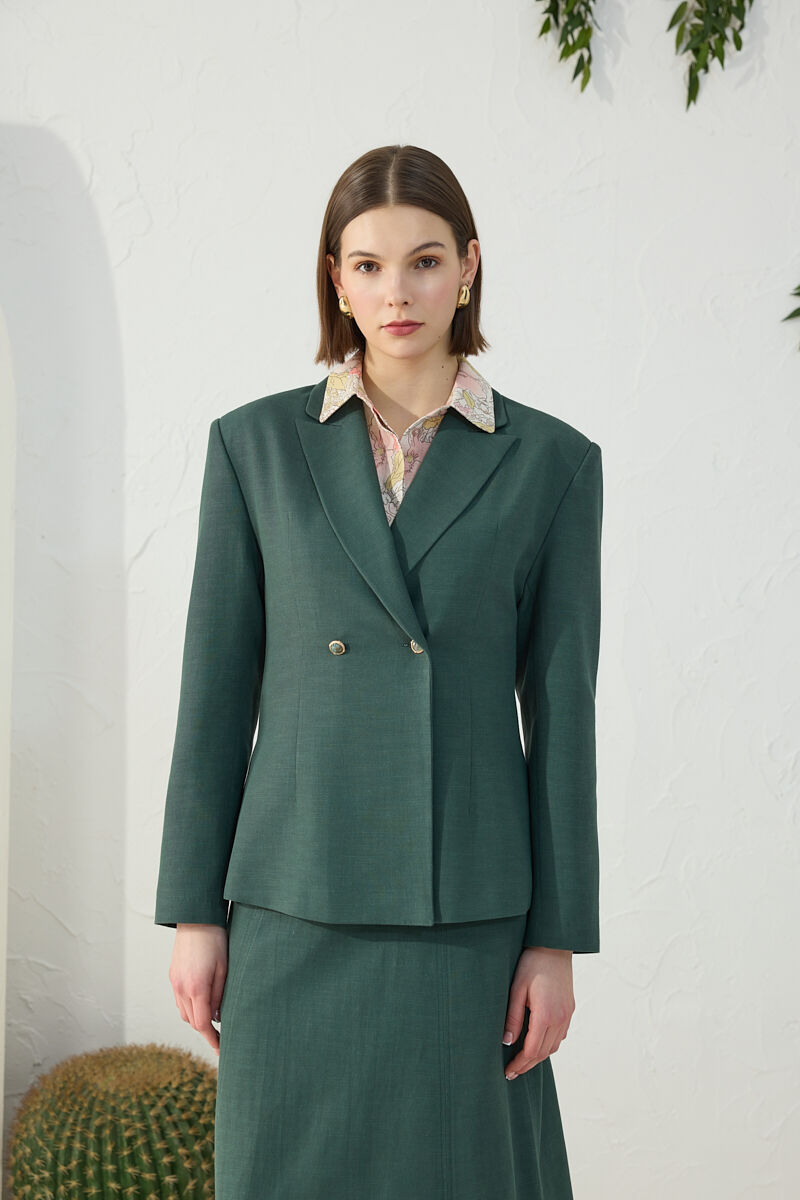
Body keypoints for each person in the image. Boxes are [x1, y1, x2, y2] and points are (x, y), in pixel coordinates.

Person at [154, 143, 603, 1200]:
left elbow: (562, 716)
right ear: (335, 279)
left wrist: (555, 941)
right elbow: (213, 695)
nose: (396, 293)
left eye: (424, 261)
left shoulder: (552, 462)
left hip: (466, 913)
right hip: (293, 899)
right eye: (366, 265)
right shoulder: (255, 447)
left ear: (469, 267)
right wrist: (195, 913)